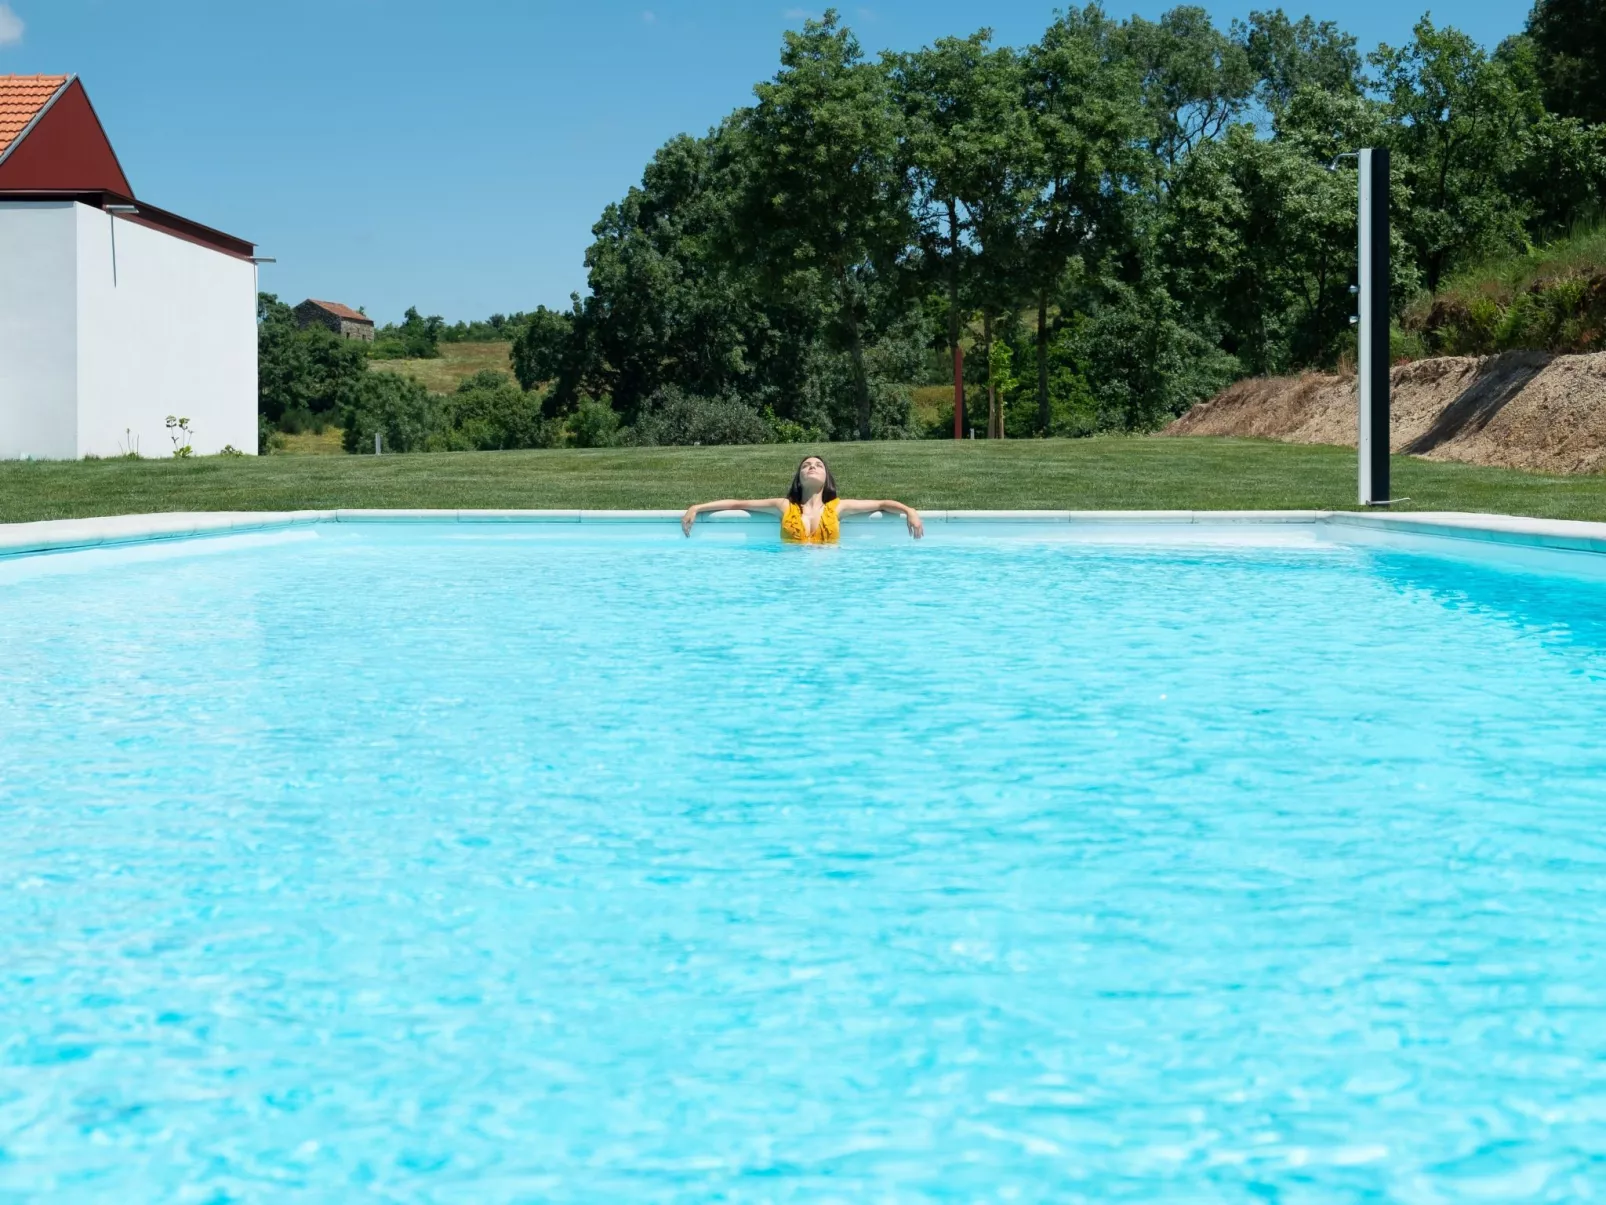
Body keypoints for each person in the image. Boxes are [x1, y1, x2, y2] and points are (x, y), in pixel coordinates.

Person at [680, 454, 924, 543]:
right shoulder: (784, 506)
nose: (812, 467)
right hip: (791, 574)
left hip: (829, 574)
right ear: (799, 477)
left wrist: (910, 511)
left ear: (827, 476)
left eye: (818, 465)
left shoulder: (839, 507)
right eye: (806, 465)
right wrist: (697, 507)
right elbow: (738, 504)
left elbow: (882, 503)